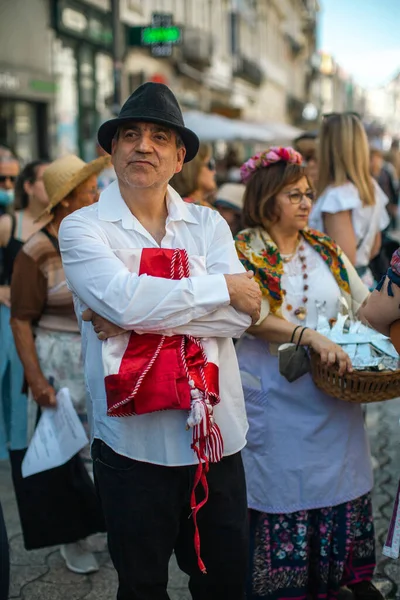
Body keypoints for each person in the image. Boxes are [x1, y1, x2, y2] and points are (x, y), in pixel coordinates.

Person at [58, 82, 261, 600]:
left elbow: (240, 320)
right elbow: (124, 300)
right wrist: (218, 289)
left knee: (225, 582)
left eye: (158, 137)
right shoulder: (84, 229)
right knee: (142, 586)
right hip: (133, 447)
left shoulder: (209, 224)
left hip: (216, 440)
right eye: (130, 134)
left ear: (178, 157)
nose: (143, 145)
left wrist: (132, 320)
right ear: (113, 150)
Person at [235, 146, 382, 600]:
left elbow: (366, 306)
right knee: (282, 490)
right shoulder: (244, 249)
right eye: (293, 193)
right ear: (266, 197)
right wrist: (311, 336)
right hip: (275, 401)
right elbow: (253, 317)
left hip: (332, 403)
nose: (305, 202)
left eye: (307, 194)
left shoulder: (326, 249)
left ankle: (335, 583)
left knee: (339, 486)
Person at [10, 154, 107, 574]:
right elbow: (20, 318)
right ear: (67, 200)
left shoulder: (93, 239)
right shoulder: (36, 251)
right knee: (66, 450)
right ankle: (72, 536)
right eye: (89, 191)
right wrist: (34, 378)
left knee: (96, 448)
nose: (97, 195)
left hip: (94, 357)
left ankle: (96, 523)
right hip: (57, 360)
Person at [0, 160, 50, 459]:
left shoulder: (62, 222)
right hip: (15, 320)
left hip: (51, 323)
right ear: (29, 187)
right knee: (16, 385)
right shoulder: (9, 224)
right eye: (46, 179)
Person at [310, 113, 390, 288]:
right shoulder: (371, 187)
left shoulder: (337, 196)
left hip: (339, 290)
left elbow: (344, 260)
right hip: (364, 280)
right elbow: (375, 247)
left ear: (328, 147)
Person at [170, 141, 217, 207]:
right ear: (194, 168)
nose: (214, 171)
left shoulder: (174, 205)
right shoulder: (200, 211)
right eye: (210, 164)